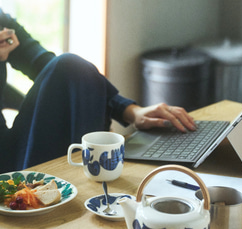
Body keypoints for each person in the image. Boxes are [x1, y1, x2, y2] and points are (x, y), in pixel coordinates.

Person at [0, 9, 196, 174]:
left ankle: (86, 180)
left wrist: (132, 111)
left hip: (10, 147)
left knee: (70, 65)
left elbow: (47, 66)